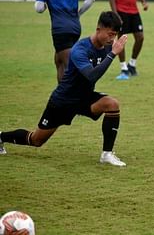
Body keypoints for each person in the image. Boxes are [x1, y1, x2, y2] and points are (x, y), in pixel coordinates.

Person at [0, 12, 128, 167]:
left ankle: (106, 154)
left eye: (114, 35)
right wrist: (113, 54)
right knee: (36, 140)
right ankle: (1, 137)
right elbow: (91, 76)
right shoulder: (80, 49)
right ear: (98, 29)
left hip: (84, 98)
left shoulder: (107, 47)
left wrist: (112, 51)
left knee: (112, 104)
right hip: (63, 101)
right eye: (110, 34)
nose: (112, 39)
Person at [35, 0, 95, 83]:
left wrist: (45, 6)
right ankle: (61, 94)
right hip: (75, 27)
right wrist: (78, 14)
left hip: (60, 30)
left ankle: (74, 96)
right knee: (58, 61)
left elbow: (38, 8)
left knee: (69, 65)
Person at [109, 0, 148, 79]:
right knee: (122, 40)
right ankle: (123, 68)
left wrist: (143, 2)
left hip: (134, 12)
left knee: (140, 37)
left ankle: (132, 64)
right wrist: (115, 14)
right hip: (121, 12)